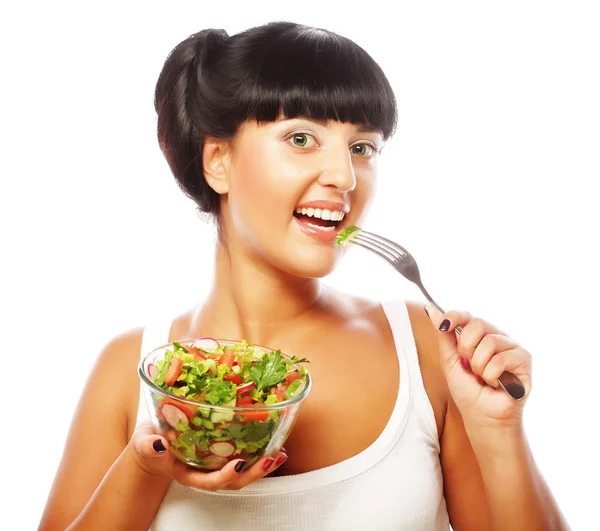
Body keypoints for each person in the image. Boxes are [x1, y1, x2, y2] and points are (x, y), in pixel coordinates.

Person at [38, 21, 569, 531]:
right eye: (301, 139)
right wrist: (143, 469)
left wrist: (498, 431)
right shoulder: (129, 372)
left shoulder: (428, 350)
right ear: (217, 160)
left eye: (362, 148)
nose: (343, 176)